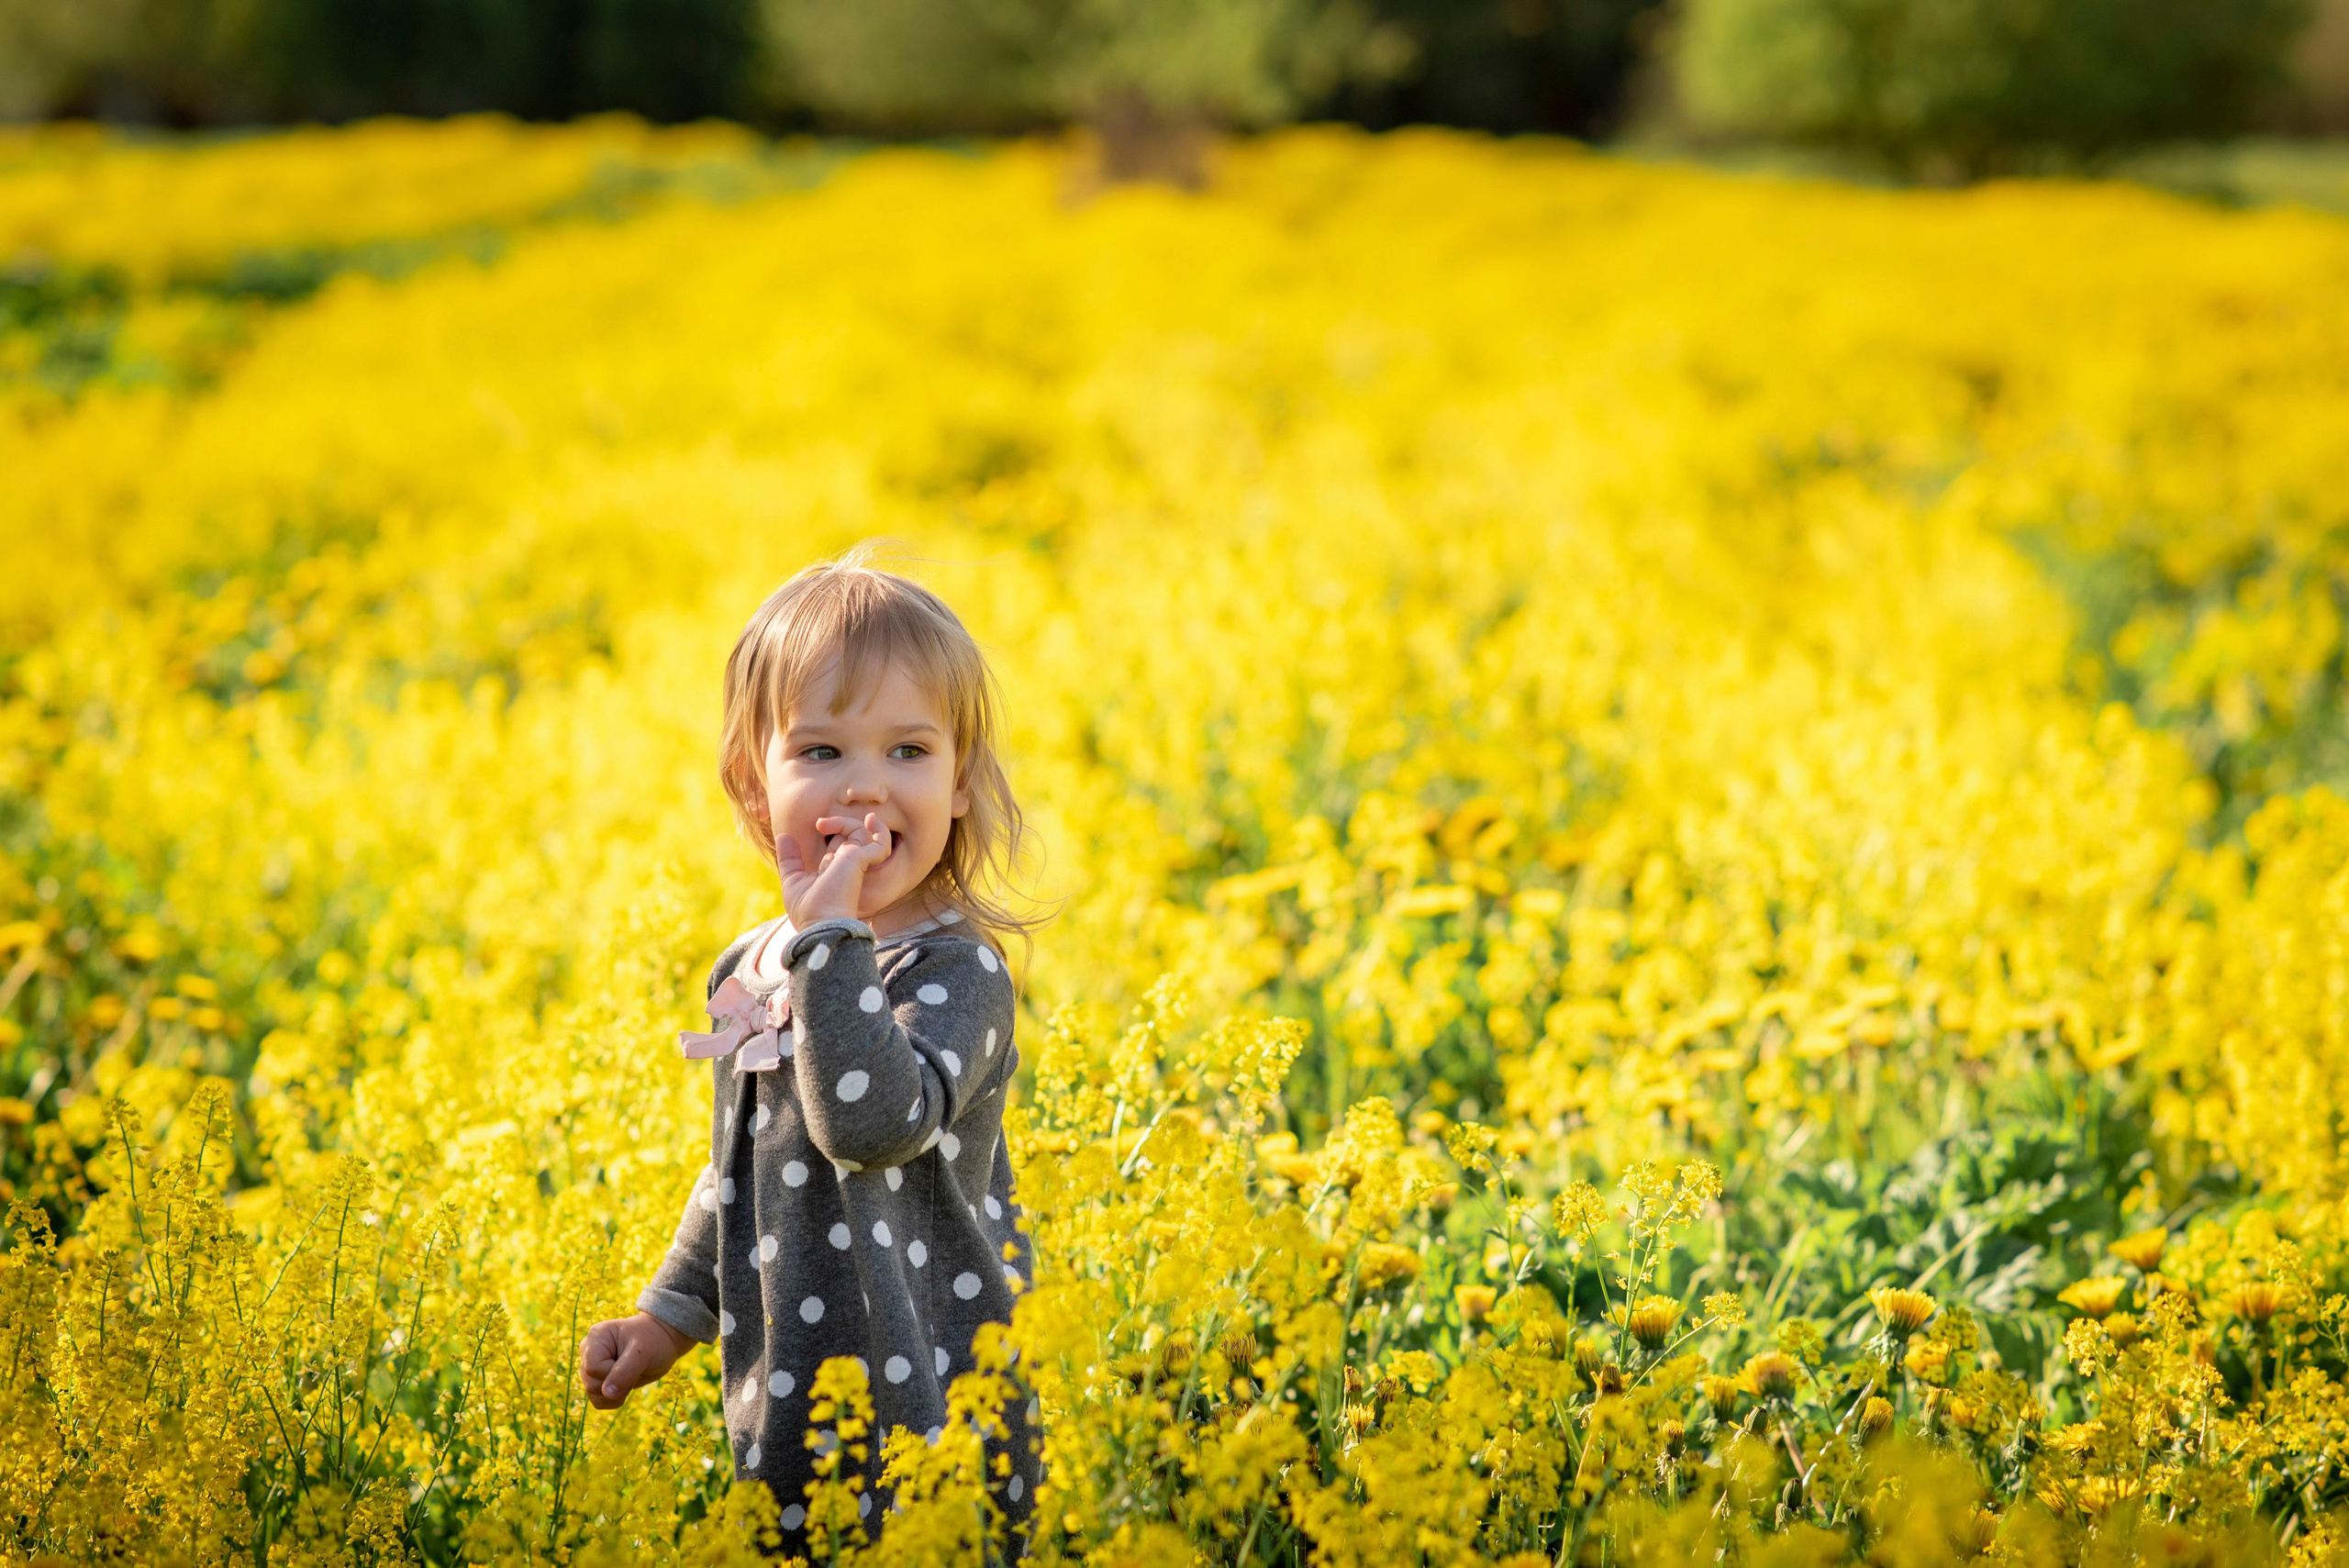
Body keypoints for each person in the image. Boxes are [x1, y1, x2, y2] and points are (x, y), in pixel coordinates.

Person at [577, 551, 1040, 1550]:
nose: (867, 788)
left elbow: (871, 1124)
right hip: (788, 1395)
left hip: (939, 1392)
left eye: (909, 751)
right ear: (757, 786)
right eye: (822, 753)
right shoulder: (754, 965)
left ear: (960, 781)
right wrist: (668, 1315)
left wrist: (830, 946)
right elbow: (741, 1169)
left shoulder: (959, 973)